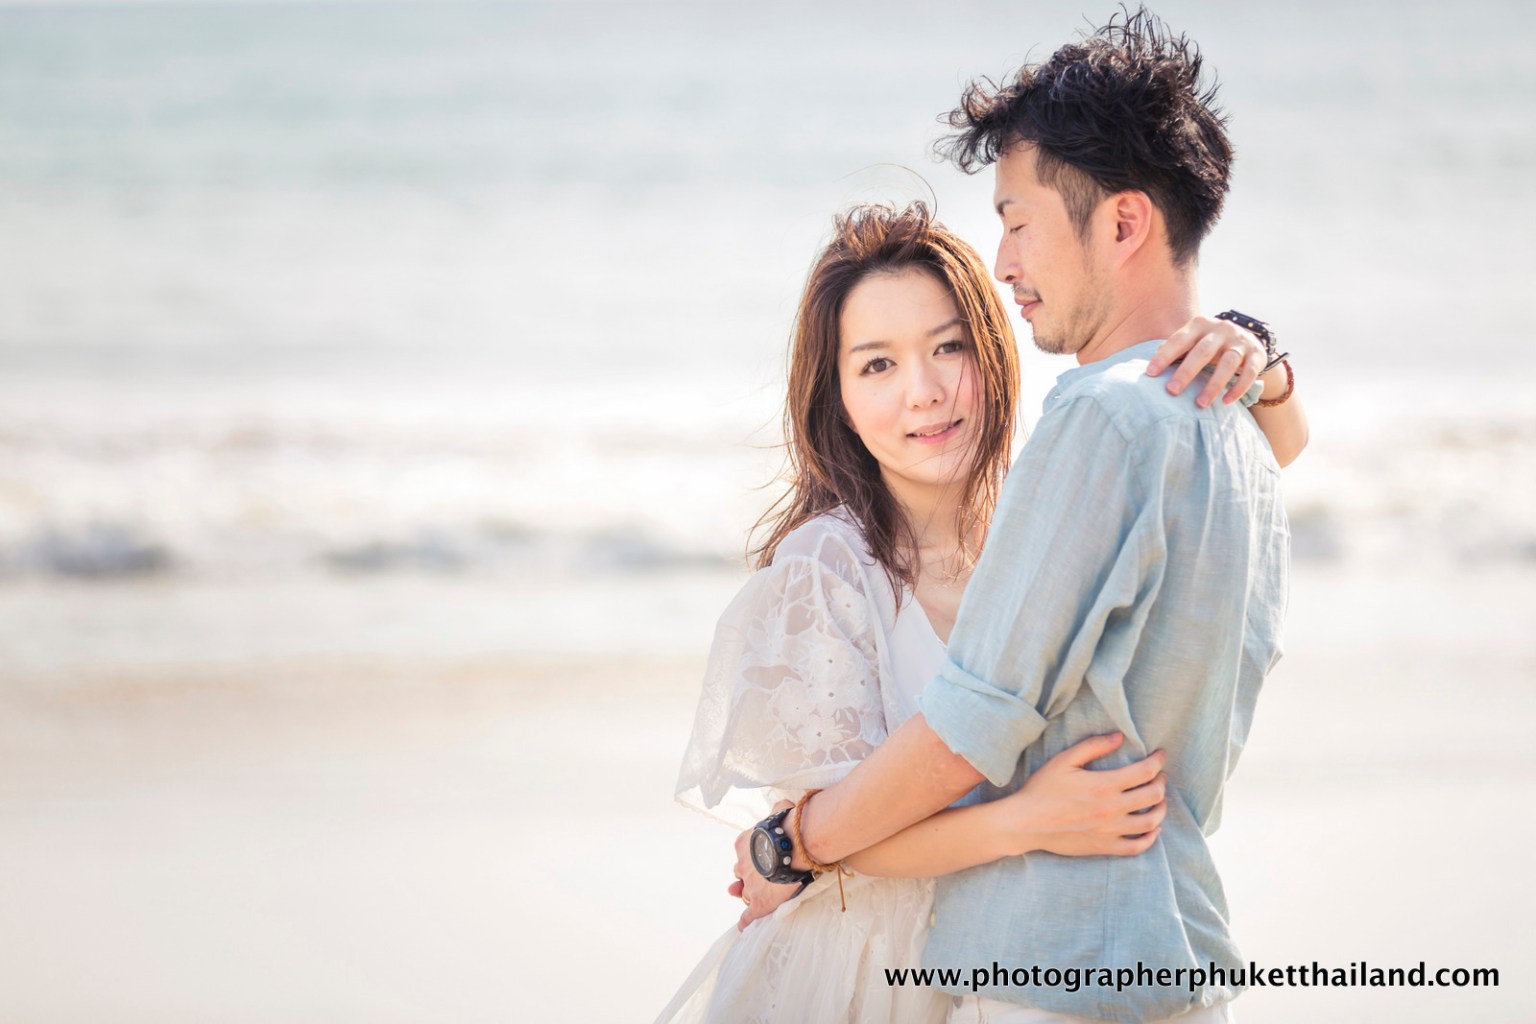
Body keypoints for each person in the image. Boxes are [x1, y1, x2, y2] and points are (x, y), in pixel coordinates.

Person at [731, 11, 1298, 1024]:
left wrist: (792, 842)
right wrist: (1260, 357)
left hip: (1054, 973)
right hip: (1173, 961)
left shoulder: (1102, 418)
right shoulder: (1243, 433)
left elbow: (964, 732)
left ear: (1122, 224)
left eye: (1018, 218)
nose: (1003, 259)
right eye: (876, 364)